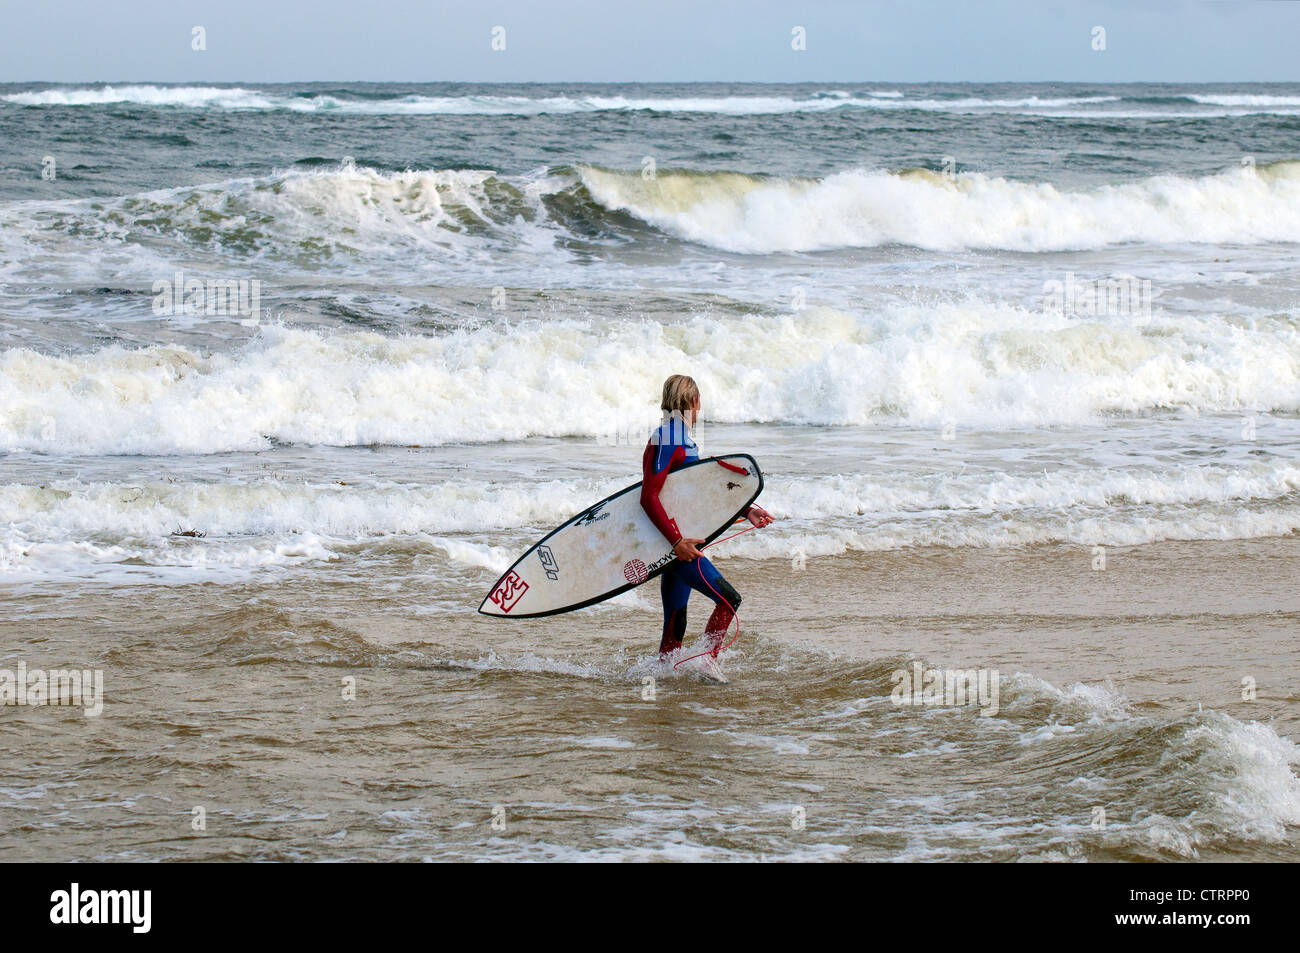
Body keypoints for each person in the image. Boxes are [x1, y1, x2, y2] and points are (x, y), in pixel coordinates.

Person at [640, 375, 773, 682]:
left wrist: (748, 510)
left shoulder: (678, 436)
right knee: (729, 599)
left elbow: (694, 495)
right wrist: (676, 542)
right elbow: (648, 496)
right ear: (694, 402)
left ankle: (661, 680)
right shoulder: (669, 437)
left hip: (678, 541)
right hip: (676, 545)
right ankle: (706, 662)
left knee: (676, 621)